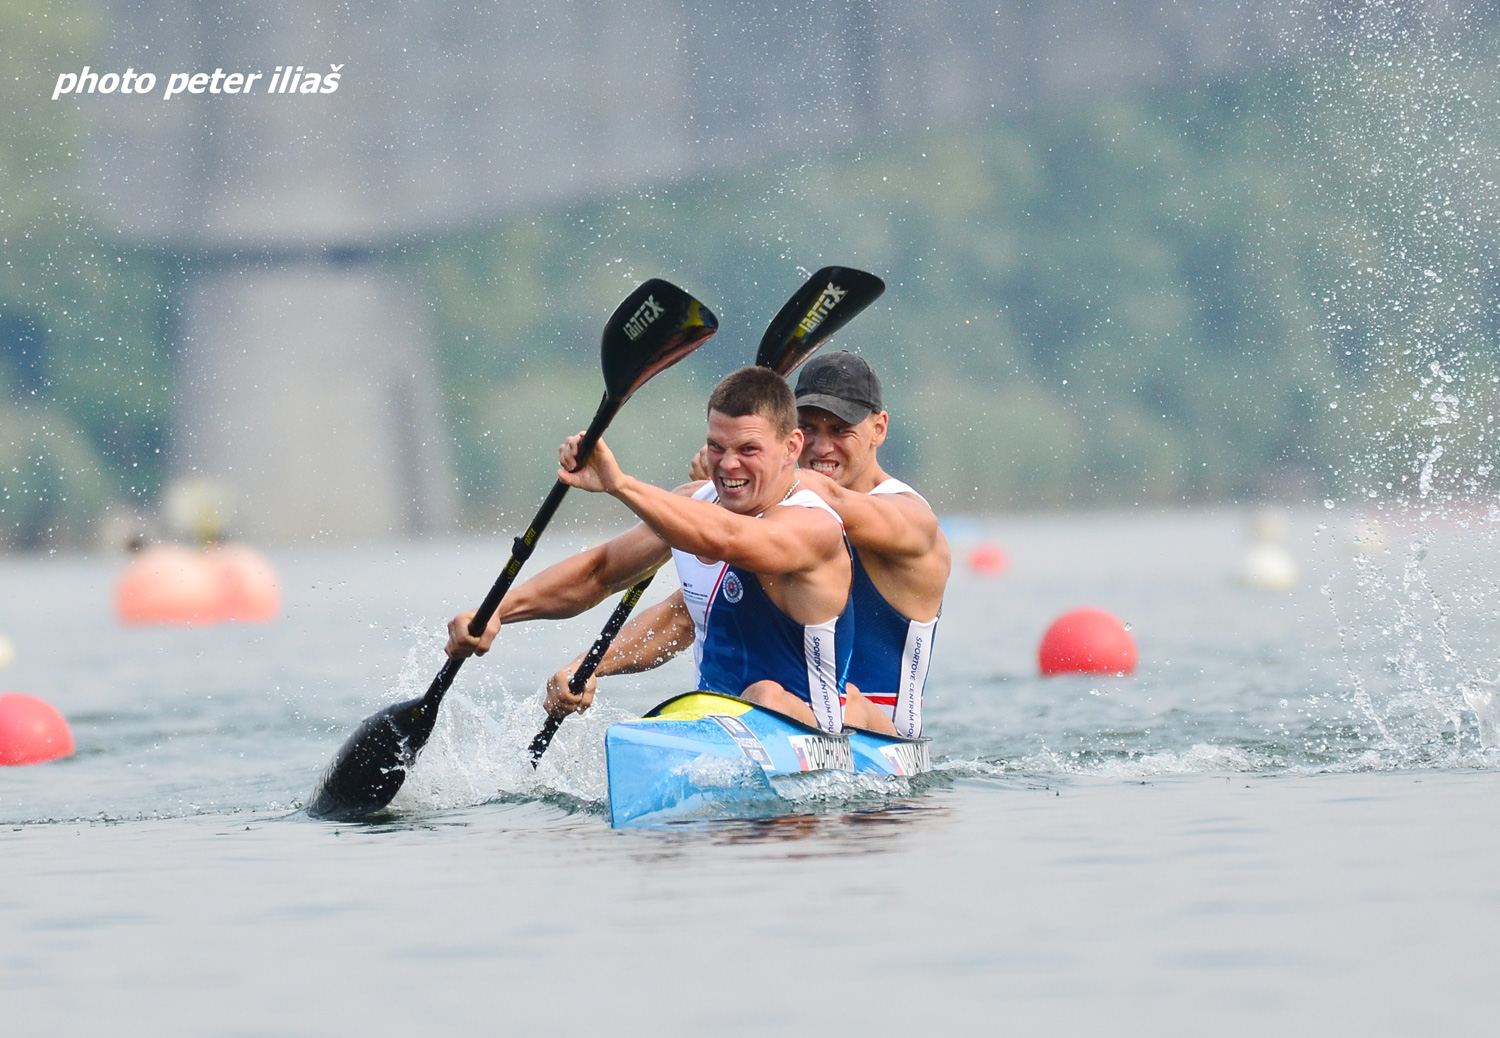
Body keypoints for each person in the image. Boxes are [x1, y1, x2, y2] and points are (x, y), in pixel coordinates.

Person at [548, 351, 948, 738]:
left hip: (878, 741)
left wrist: (726, 475)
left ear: (878, 428)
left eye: (840, 430)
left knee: (778, 697)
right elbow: (683, 617)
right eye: (809, 428)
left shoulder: (907, 518)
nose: (821, 447)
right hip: (778, 718)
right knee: (764, 696)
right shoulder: (774, 515)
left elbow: (834, 500)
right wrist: (590, 666)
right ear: (792, 435)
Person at [446, 366, 855, 733]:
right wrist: (498, 612)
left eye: (748, 450)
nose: (728, 465)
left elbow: (728, 539)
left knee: (765, 693)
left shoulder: (814, 525)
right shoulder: (693, 506)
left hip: (816, 738)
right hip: (719, 725)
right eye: (717, 447)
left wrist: (619, 484)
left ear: (792, 447)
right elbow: (600, 573)